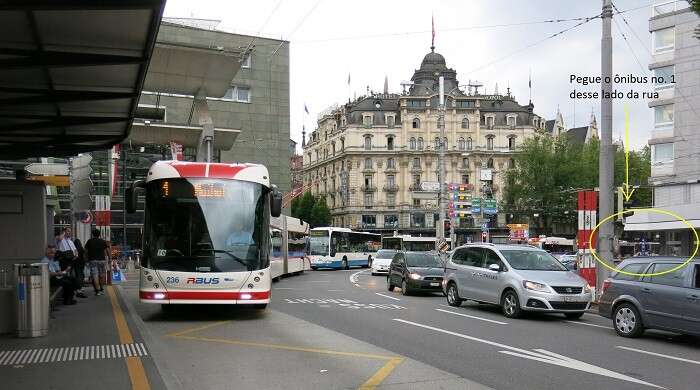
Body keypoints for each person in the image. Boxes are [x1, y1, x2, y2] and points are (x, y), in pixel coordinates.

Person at [85, 229, 110, 296]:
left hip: (93, 260)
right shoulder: (102, 241)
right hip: (102, 260)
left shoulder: (89, 241)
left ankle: (98, 291)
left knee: (95, 276)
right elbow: (107, 250)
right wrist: (110, 258)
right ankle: (101, 288)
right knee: (102, 275)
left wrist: (86, 259)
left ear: (93, 234)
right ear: (99, 234)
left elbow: (86, 251)